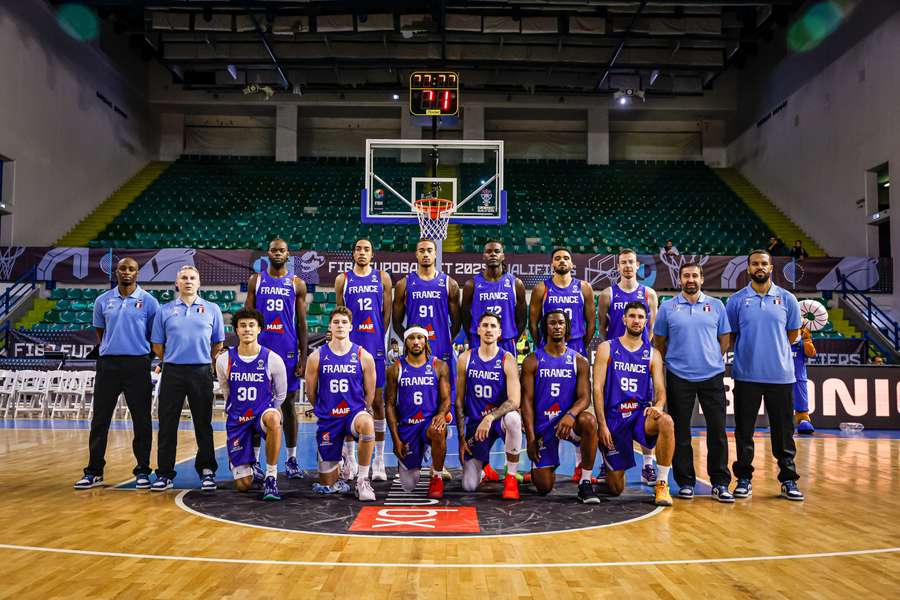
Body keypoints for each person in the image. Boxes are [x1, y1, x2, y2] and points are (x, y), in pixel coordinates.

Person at [726, 249, 804, 501]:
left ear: (771, 268)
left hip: (780, 376)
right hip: (746, 376)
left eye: (764, 263)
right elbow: (732, 335)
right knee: (744, 430)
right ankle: (744, 478)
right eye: (754, 264)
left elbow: (792, 334)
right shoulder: (737, 300)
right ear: (748, 268)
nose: (759, 267)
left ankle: (789, 479)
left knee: (783, 432)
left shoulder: (787, 299)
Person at [74, 257, 159, 490]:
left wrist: (140, 355)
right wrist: (112, 349)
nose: (127, 272)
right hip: (108, 365)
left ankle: (142, 470)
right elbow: (101, 332)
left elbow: (155, 336)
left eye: (132, 269)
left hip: (138, 365)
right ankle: (94, 471)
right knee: (100, 420)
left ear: (138, 273)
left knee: (141, 420)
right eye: (123, 268)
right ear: (116, 271)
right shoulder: (103, 300)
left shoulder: (149, 302)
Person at [653, 262, 734, 502]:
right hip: (679, 376)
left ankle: (720, 482)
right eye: (686, 275)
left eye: (695, 275)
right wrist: (677, 361)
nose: (691, 279)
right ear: (680, 280)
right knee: (681, 432)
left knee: (718, 431)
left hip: (712, 376)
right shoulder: (668, 308)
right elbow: (659, 343)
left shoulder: (717, 306)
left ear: (701, 279)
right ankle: (685, 482)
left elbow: (725, 339)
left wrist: (708, 359)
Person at [151, 265, 225, 492]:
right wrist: (173, 359)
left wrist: (202, 360)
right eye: (184, 278)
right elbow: (157, 345)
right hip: (172, 372)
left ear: (199, 283)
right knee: (167, 424)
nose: (188, 281)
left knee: (203, 424)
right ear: (177, 283)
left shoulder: (212, 309)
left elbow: (218, 343)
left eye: (193, 278)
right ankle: (164, 474)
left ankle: (207, 471)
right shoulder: (164, 310)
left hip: (201, 371)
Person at [592, 302, 674, 507]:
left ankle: (662, 484)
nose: (636, 320)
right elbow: (597, 389)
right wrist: (602, 425)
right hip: (614, 418)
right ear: (624, 319)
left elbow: (660, 389)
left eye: (640, 317)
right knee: (616, 489)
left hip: (640, 414)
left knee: (666, 422)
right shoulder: (607, 348)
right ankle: (610, 467)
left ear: (646, 322)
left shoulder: (653, 353)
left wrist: (659, 405)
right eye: (632, 316)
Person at [393, 238, 461, 479]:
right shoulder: (404, 284)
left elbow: (456, 321)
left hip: (441, 355)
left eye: (429, 250)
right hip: (414, 356)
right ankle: (417, 450)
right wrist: (413, 340)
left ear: (435, 254)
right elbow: (396, 321)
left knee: (443, 408)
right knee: (412, 404)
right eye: (421, 250)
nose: (425, 254)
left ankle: (436, 464)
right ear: (416, 254)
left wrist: (439, 342)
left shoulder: (449, 284)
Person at [461, 240, 527, 482]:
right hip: (478, 346)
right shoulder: (471, 284)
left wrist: (507, 337)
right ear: (483, 256)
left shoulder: (515, 284)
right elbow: (464, 315)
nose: (492, 254)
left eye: (496, 251)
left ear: (503, 256)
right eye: (488, 251)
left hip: (505, 343)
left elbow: (522, 320)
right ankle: (484, 461)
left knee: (509, 403)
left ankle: (511, 467)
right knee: (478, 400)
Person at [245, 237, 308, 481]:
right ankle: (256, 461)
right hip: (260, 350)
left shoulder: (296, 283)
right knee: (257, 406)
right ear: (268, 253)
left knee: (288, 405)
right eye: (274, 250)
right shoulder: (256, 280)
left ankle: (291, 459)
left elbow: (302, 323)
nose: (278, 253)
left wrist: (304, 356)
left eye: (282, 250)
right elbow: (247, 317)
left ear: (288, 254)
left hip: (287, 350)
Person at [521, 309, 600, 503]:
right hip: (544, 427)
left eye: (561, 323)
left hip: (569, 424)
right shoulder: (532, 360)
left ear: (567, 329)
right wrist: (531, 439)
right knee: (544, 487)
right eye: (552, 323)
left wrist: (571, 415)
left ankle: (585, 482)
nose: (557, 326)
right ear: (545, 328)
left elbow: (584, 398)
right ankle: (545, 465)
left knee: (589, 421)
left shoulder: (579, 360)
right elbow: (527, 402)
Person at [597, 248, 659, 485]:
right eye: (623, 263)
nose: (628, 266)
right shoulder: (607, 294)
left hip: (640, 362)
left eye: (631, 262)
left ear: (637, 266)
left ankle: (648, 466)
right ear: (618, 266)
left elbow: (650, 329)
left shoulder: (649, 294)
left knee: (645, 410)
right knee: (611, 411)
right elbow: (603, 328)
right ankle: (606, 462)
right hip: (615, 362)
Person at [305, 307, 378, 501]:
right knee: (328, 483)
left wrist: (361, 411)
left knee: (368, 422)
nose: (340, 326)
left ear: (351, 327)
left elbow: (370, 394)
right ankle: (343, 455)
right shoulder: (316, 357)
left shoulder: (364, 356)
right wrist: (325, 409)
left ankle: (362, 481)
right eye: (336, 322)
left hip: (353, 414)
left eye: (344, 322)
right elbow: (310, 393)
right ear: (329, 326)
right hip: (329, 418)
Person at [335, 238, 392, 481]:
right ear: (353, 253)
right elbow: (340, 315)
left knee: (377, 402)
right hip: (349, 347)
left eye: (366, 249)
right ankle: (349, 457)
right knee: (348, 401)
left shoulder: (383, 277)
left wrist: (379, 338)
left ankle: (379, 459)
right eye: (357, 248)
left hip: (374, 346)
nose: (361, 252)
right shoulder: (343, 279)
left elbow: (386, 314)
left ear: (372, 254)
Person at [216, 308, 287, 501]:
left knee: (274, 418)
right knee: (243, 486)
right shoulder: (224, 360)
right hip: (237, 420)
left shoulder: (273, 359)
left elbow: (280, 394)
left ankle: (271, 476)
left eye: (251, 325)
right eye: (243, 326)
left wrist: (267, 409)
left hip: (261, 415)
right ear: (236, 330)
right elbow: (225, 390)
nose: (247, 329)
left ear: (259, 329)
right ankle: (250, 468)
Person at [456, 313, 522, 500]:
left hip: (497, 420)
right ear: (478, 330)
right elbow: (459, 401)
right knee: (469, 486)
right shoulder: (465, 359)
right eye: (485, 325)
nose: (489, 329)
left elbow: (514, 401)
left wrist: (490, 417)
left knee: (514, 419)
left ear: (500, 332)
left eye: (493, 326)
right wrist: (461, 438)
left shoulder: (507, 359)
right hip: (475, 425)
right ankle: (484, 468)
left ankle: (510, 478)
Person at [384, 326, 452, 499]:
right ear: (406, 342)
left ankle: (436, 476)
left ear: (426, 341)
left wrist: (441, 414)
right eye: (411, 338)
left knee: (438, 430)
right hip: (407, 427)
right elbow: (389, 404)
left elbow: (446, 399)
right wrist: (396, 440)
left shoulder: (439, 366)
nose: (416, 342)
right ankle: (422, 451)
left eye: (420, 338)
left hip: (429, 423)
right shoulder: (395, 369)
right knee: (408, 485)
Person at [528, 247, 595, 357]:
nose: (562, 261)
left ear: (572, 264)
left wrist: (582, 344)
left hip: (576, 343)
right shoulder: (541, 288)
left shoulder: (584, 287)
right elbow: (532, 323)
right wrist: (541, 345)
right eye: (557, 258)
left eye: (566, 258)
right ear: (552, 264)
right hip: (549, 343)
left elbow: (591, 323)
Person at [792, 326, 816, 434]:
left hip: (799, 376)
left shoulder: (803, 340)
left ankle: (803, 419)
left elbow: (811, 353)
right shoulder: (779, 338)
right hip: (780, 376)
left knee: (801, 398)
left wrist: (806, 339)